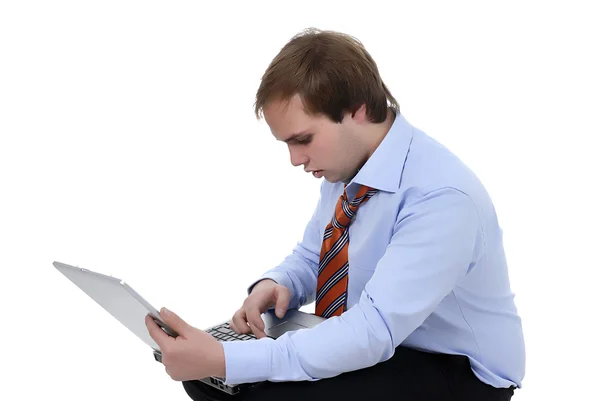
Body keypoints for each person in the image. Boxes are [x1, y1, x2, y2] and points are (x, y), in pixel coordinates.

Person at [145, 27, 526, 400]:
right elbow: (316, 255)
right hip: (384, 342)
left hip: (456, 370)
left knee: (249, 386)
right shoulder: (348, 166)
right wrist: (277, 285)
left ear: (356, 110)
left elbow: (372, 331)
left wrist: (230, 358)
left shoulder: (441, 197)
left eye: (303, 139)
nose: (295, 160)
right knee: (207, 379)